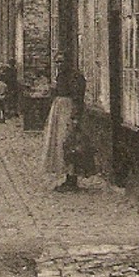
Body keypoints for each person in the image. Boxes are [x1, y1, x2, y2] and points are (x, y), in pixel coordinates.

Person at [40, 55, 88, 191]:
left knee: (68, 142)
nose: (58, 64)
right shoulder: (61, 76)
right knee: (59, 142)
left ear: (68, 62)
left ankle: (72, 178)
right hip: (58, 111)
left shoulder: (75, 76)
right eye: (56, 62)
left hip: (67, 111)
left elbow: (77, 98)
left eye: (61, 61)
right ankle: (66, 176)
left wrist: (75, 117)